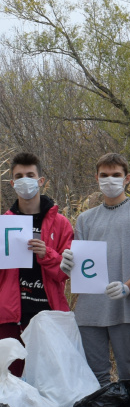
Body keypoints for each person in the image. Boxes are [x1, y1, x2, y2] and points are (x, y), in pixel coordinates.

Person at [60, 153, 130, 387]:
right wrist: (68, 266)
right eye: (104, 175)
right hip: (90, 310)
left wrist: (128, 287)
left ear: (127, 178)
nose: (110, 180)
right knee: (96, 378)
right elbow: (82, 266)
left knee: (129, 376)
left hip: (126, 306)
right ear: (96, 178)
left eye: (116, 175)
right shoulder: (85, 219)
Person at [1, 152, 73, 377]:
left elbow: (65, 273)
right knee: (11, 382)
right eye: (19, 176)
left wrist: (46, 254)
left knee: (49, 381)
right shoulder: (4, 223)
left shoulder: (61, 223)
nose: (25, 180)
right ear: (12, 183)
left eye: (30, 175)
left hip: (48, 313)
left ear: (41, 181)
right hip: (11, 316)